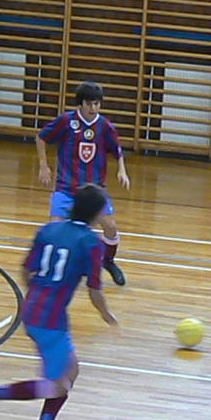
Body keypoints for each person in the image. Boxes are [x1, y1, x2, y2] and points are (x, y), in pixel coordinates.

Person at [0, 184, 119, 420]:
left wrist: (38, 294)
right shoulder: (91, 243)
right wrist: (107, 315)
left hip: (33, 310)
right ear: (96, 213)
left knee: (70, 371)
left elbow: (26, 270)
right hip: (50, 321)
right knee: (57, 386)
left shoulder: (49, 230)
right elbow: (94, 290)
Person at [36, 81, 131, 286]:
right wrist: (43, 166)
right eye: (89, 104)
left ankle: (108, 261)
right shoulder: (66, 121)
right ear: (80, 104)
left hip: (94, 191)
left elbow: (117, 150)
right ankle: (53, 268)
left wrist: (122, 170)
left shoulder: (105, 126)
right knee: (54, 230)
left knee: (111, 227)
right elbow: (41, 137)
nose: (93, 108)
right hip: (66, 188)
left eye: (97, 104)